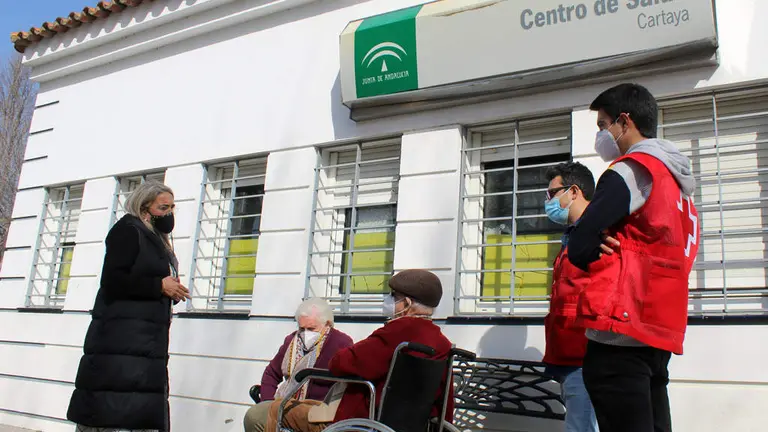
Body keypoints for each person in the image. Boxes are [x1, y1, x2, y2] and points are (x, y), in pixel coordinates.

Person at [567, 83, 699, 432]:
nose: (601, 135)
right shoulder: (676, 182)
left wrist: (594, 240)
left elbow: (579, 246)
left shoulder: (630, 170)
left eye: (602, 125)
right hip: (658, 328)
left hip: (619, 332)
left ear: (624, 122)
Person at [67, 181, 191, 432]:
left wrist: (169, 290)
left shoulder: (155, 238)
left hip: (143, 345)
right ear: (145, 207)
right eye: (163, 207)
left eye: (172, 207)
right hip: (120, 345)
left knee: (137, 413)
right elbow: (113, 280)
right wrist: (158, 286)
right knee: (111, 413)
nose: (169, 214)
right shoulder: (128, 231)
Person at [265, 269, 454, 432]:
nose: (388, 300)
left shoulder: (395, 333)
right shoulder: (442, 343)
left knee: (273, 410)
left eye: (393, 296)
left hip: (361, 420)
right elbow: (447, 400)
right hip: (412, 424)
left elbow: (342, 363)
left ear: (406, 304)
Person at [541, 162, 602, 432]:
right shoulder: (573, 236)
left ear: (574, 191)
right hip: (569, 354)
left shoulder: (599, 233)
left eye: (553, 193)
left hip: (586, 356)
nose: (548, 201)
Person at [244, 298, 354, 432]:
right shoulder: (292, 340)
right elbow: (271, 373)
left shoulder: (340, 343)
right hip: (285, 405)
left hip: (315, 411)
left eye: (312, 328)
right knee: (255, 416)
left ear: (328, 324)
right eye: (302, 328)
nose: (305, 333)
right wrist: (267, 403)